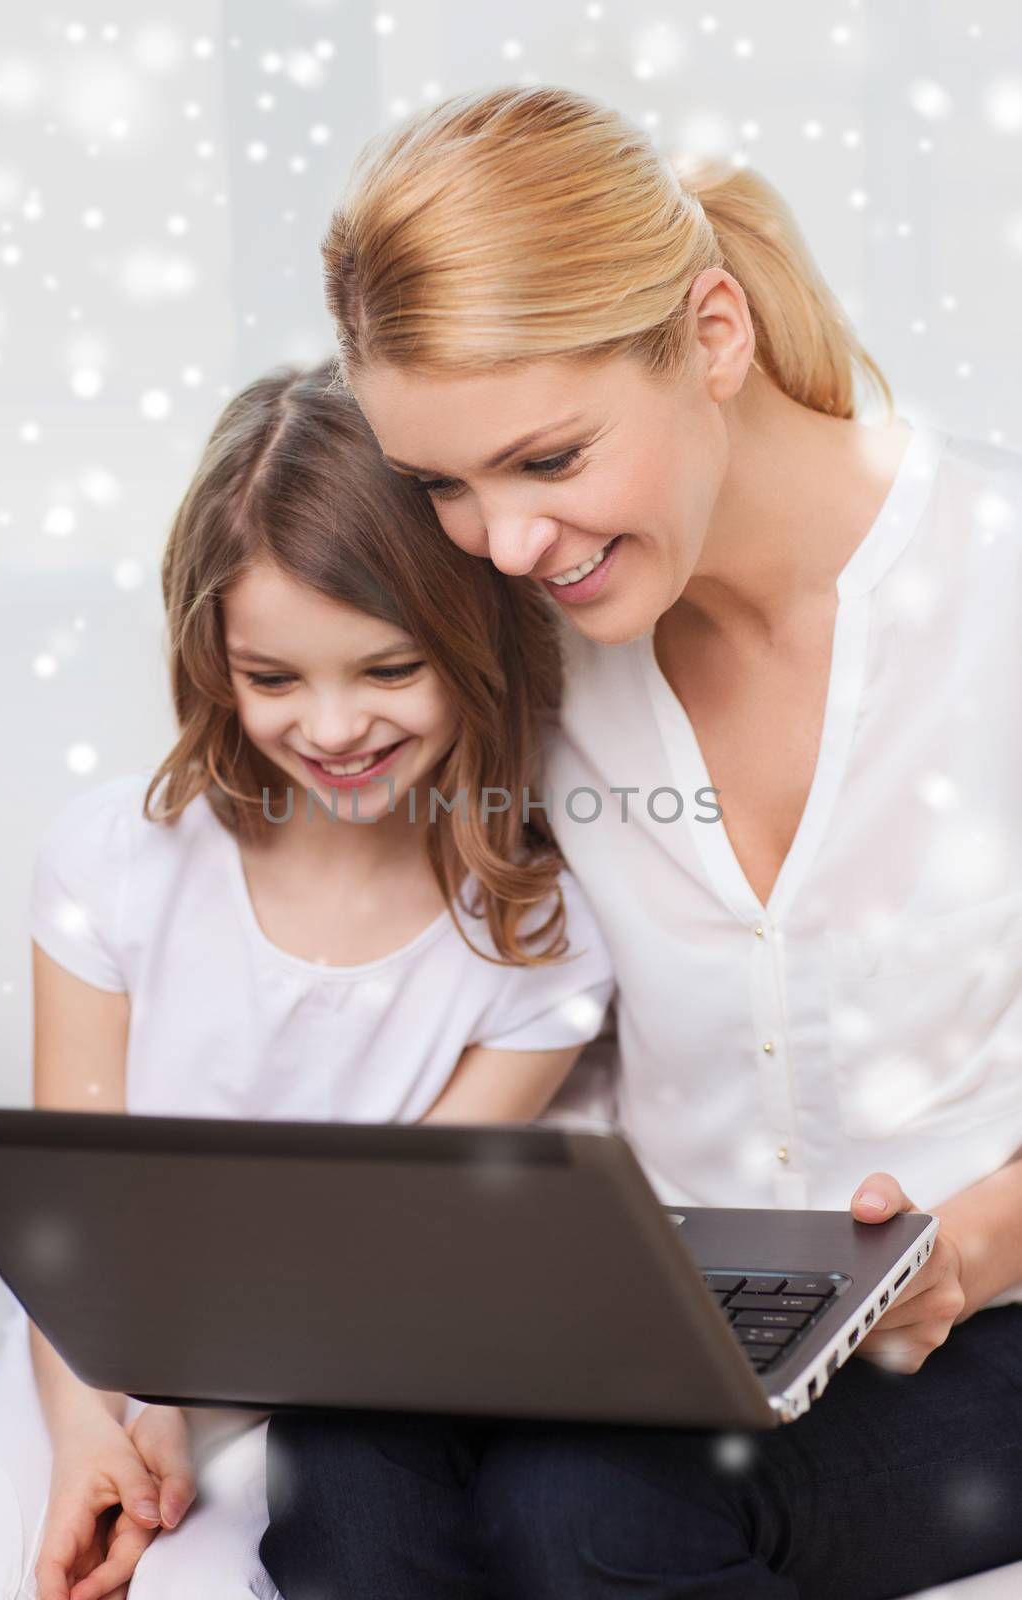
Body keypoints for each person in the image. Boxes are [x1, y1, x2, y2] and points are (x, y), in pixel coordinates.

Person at [257, 85, 1022, 1599]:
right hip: (647, 1304)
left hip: (979, 1320)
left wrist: (975, 1242)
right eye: (442, 487)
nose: (504, 543)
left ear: (713, 336)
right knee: (341, 1459)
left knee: (584, 1511)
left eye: (546, 459)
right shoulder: (527, 651)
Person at [0, 365, 616, 1600]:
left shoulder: (538, 941)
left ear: (477, 645)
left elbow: (379, 1269)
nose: (330, 726)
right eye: (273, 680)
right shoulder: (112, 863)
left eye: (385, 669)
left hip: (311, 1390)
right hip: (80, 1371)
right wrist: (93, 1429)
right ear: (214, 659)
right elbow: (67, 1232)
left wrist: (189, 1422)